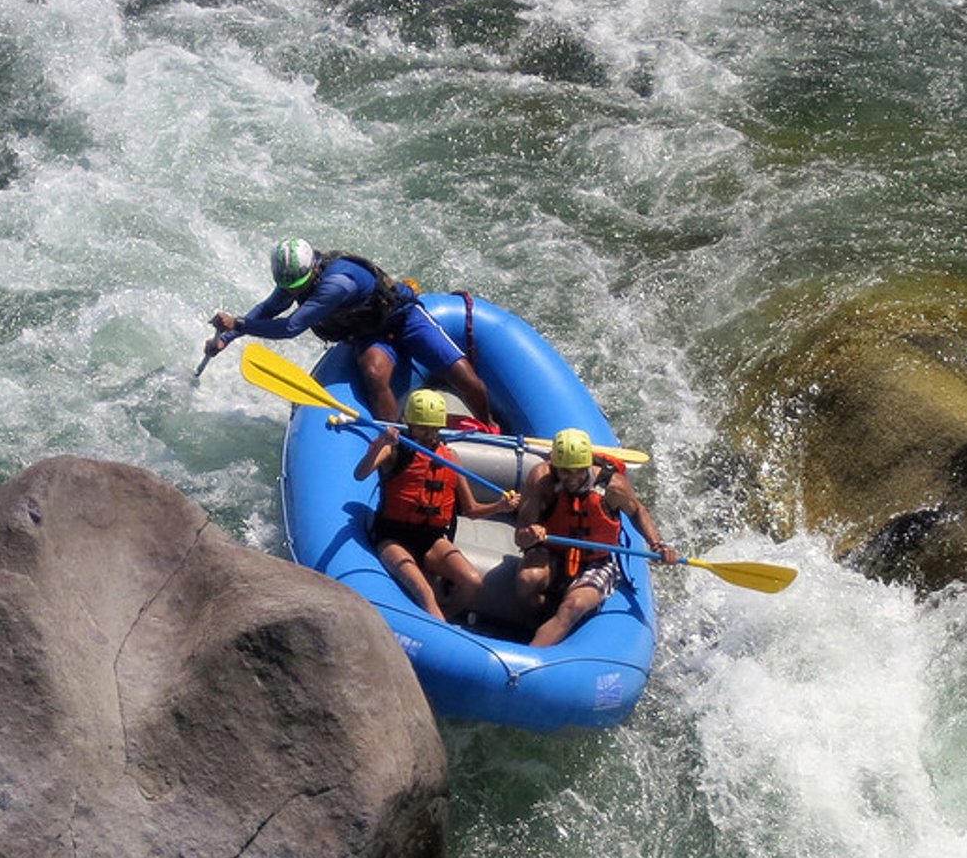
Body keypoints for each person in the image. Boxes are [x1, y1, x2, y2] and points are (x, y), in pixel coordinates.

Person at [204, 237, 496, 427]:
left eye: (296, 287)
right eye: (287, 288)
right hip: (367, 333)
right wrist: (226, 339)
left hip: (403, 317)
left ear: (313, 270)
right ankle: (396, 439)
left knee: (465, 378)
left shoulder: (337, 284)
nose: (291, 292)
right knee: (374, 374)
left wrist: (238, 324)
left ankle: (488, 424)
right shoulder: (297, 280)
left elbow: (291, 327)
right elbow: (268, 309)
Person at [355, 388, 517, 622]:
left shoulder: (449, 457)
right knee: (425, 591)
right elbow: (360, 474)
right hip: (393, 537)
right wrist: (381, 443)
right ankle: (438, 622)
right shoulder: (393, 450)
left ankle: (442, 621)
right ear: (409, 423)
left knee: (473, 582)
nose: (428, 434)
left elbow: (471, 510)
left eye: (433, 428)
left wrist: (499, 507)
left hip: (432, 539)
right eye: (422, 427)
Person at [514, 427, 677, 648]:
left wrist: (658, 545)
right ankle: (536, 626)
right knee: (527, 580)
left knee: (573, 606)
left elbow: (638, 512)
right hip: (553, 552)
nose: (572, 478)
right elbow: (520, 538)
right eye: (565, 472)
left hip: (597, 562)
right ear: (555, 467)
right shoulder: (542, 480)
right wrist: (531, 533)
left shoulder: (613, 486)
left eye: (578, 471)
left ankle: (530, 657)